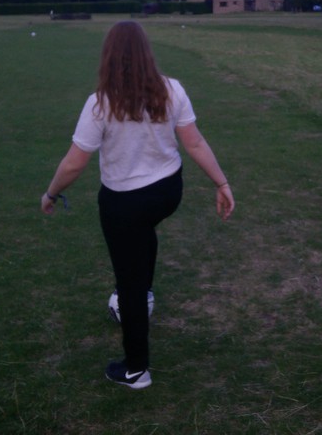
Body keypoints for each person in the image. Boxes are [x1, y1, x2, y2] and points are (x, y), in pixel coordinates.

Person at [40, 20, 235, 390]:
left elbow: (74, 164)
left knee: (128, 280)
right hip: (167, 192)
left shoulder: (100, 103)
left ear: (109, 56)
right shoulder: (170, 89)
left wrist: (50, 194)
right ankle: (141, 295)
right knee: (142, 236)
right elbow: (193, 143)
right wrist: (221, 183)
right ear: (146, 52)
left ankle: (136, 369)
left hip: (125, 202)